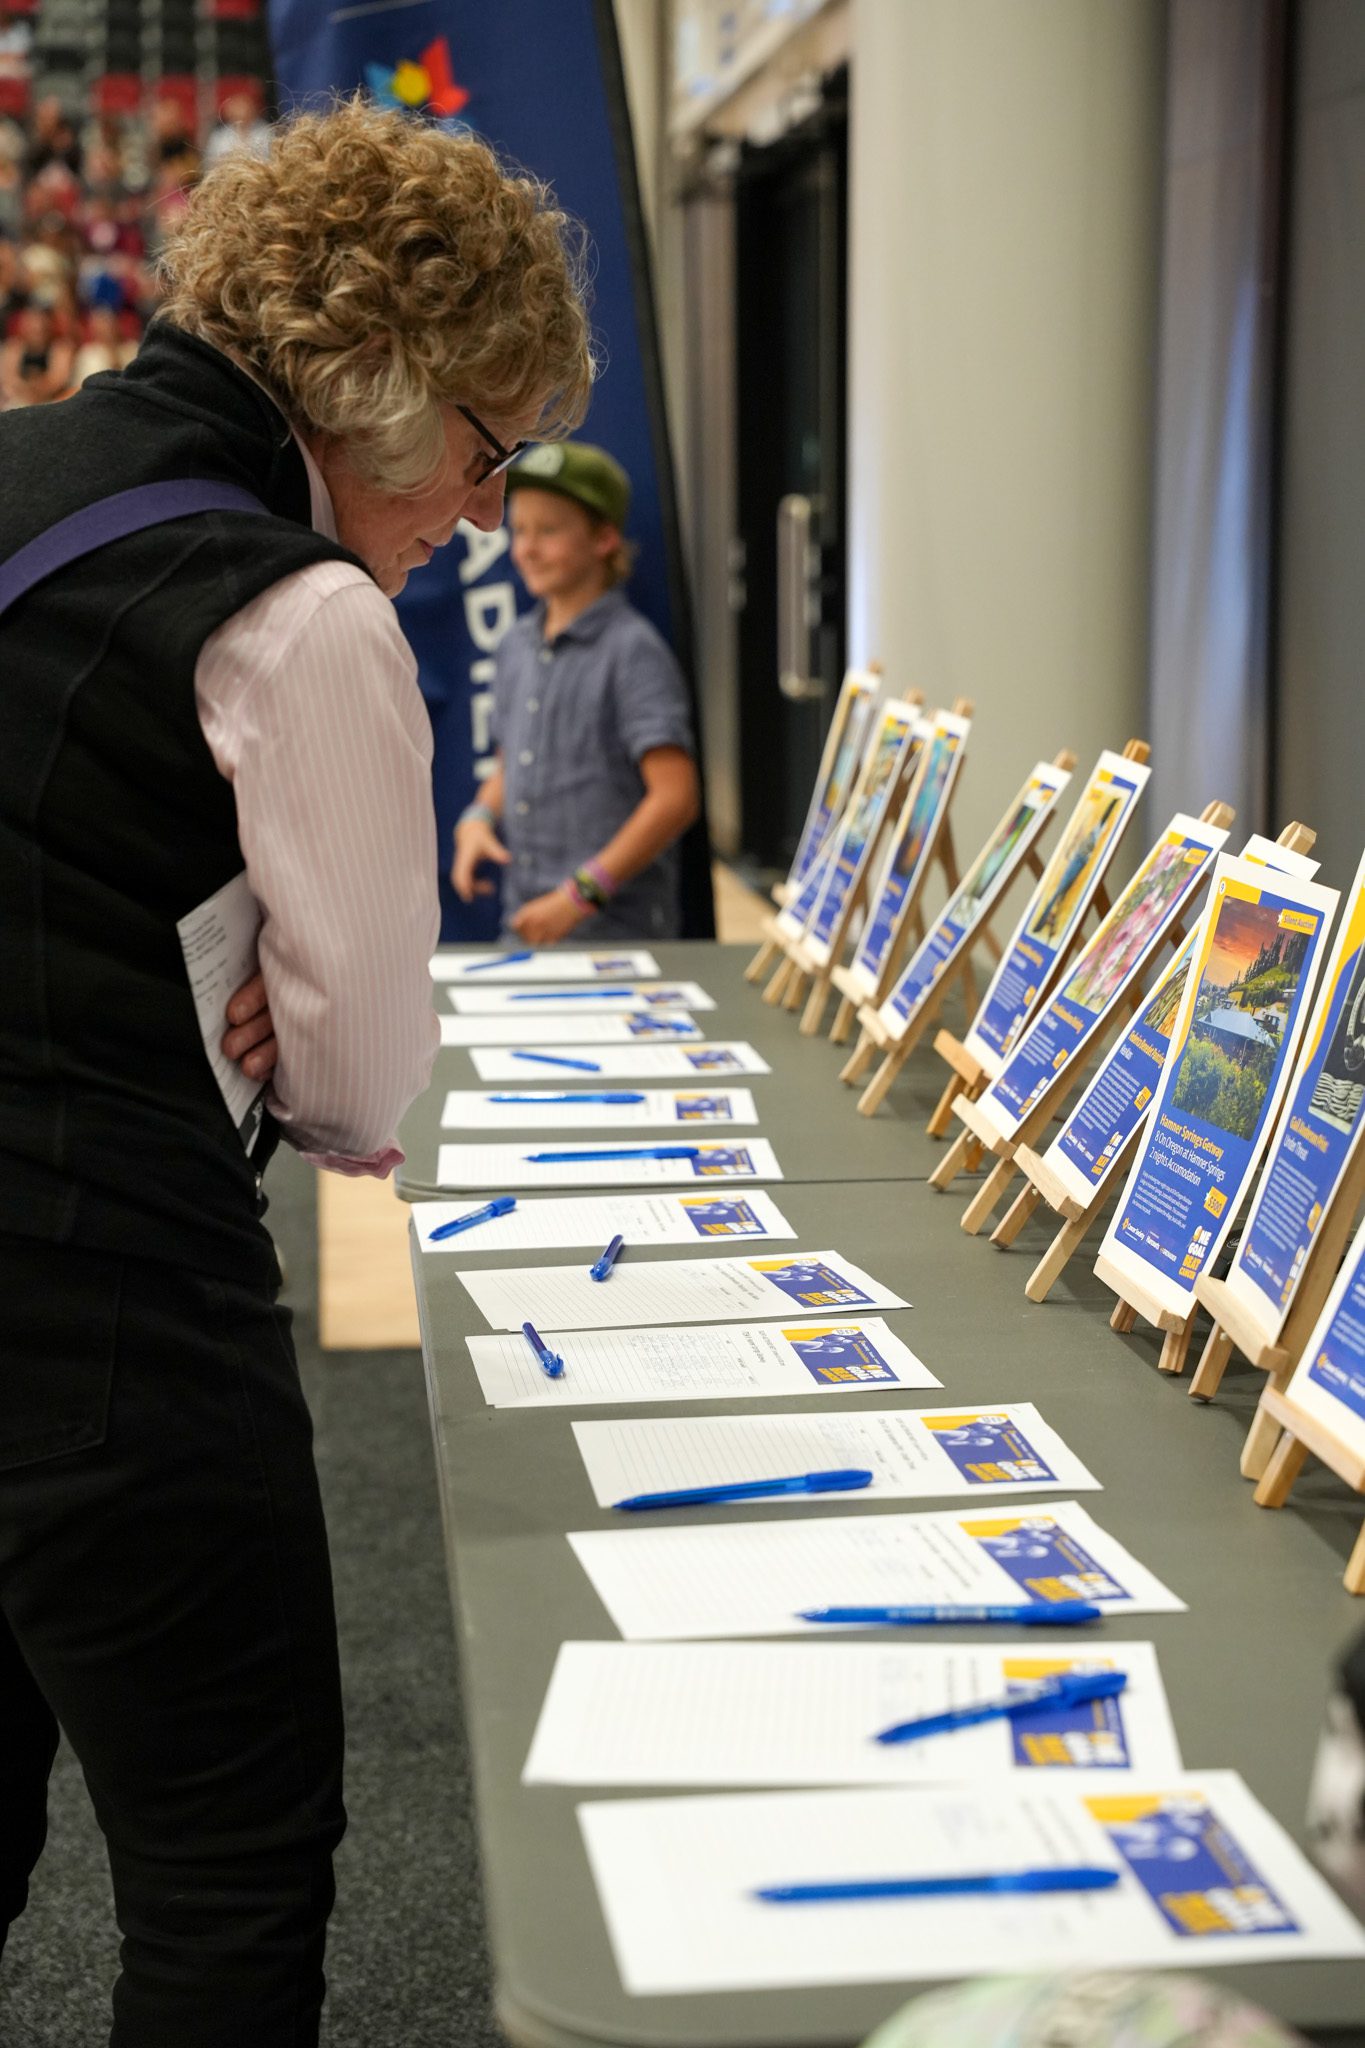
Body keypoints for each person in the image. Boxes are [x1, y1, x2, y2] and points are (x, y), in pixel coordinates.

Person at [0, 95, 591, 2044]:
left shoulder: (21, 459)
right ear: (393, 384)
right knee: (226, 1866)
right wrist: (276, 976)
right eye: (487, 451)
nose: (478, 514)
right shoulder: (295, 608)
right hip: (102, 1302)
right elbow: (359, 1076)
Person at [451, 440, 700, 943]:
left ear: (604, 538)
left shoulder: (633, 651)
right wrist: (477, 818)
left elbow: (676, 797)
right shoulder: (515, 645)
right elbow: (510, 761)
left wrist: (580, 895)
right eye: (519, 530)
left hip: (615, 935)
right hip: (525, 923)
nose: (527, 549)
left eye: (548, 531)